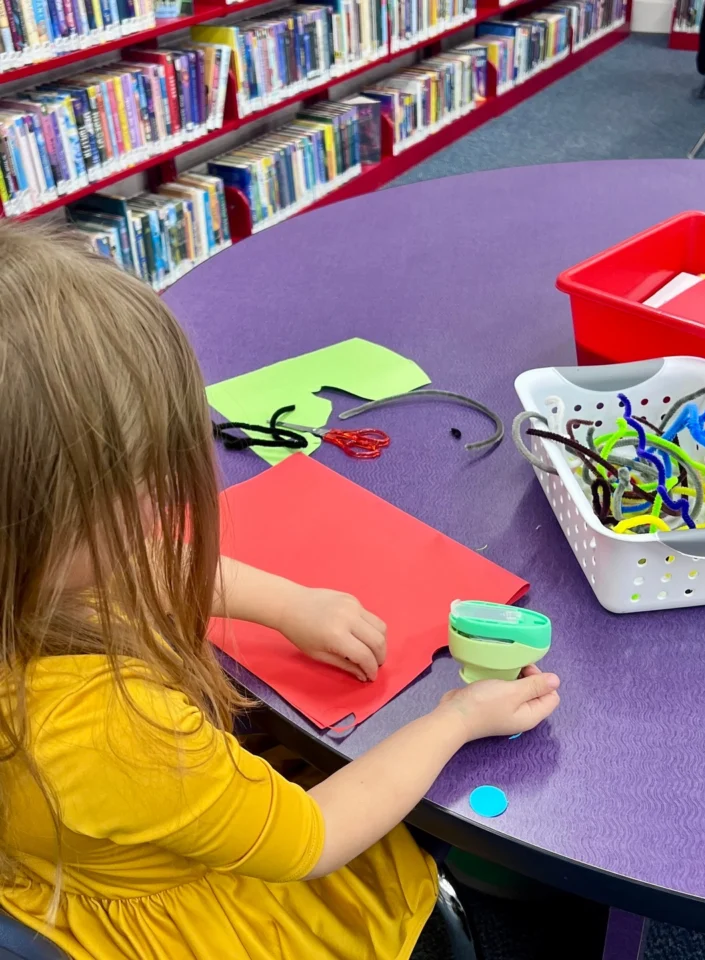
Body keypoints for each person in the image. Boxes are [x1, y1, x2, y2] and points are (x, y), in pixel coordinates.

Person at [0, 220, 561, 960]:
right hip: (203, 908)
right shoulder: (109, 729)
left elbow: (147, 565)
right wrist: (455, 720)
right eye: (140, 480)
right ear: (40, 524)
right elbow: (314, 837)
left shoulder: (34, 582)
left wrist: (288, 603)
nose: (167, 497)